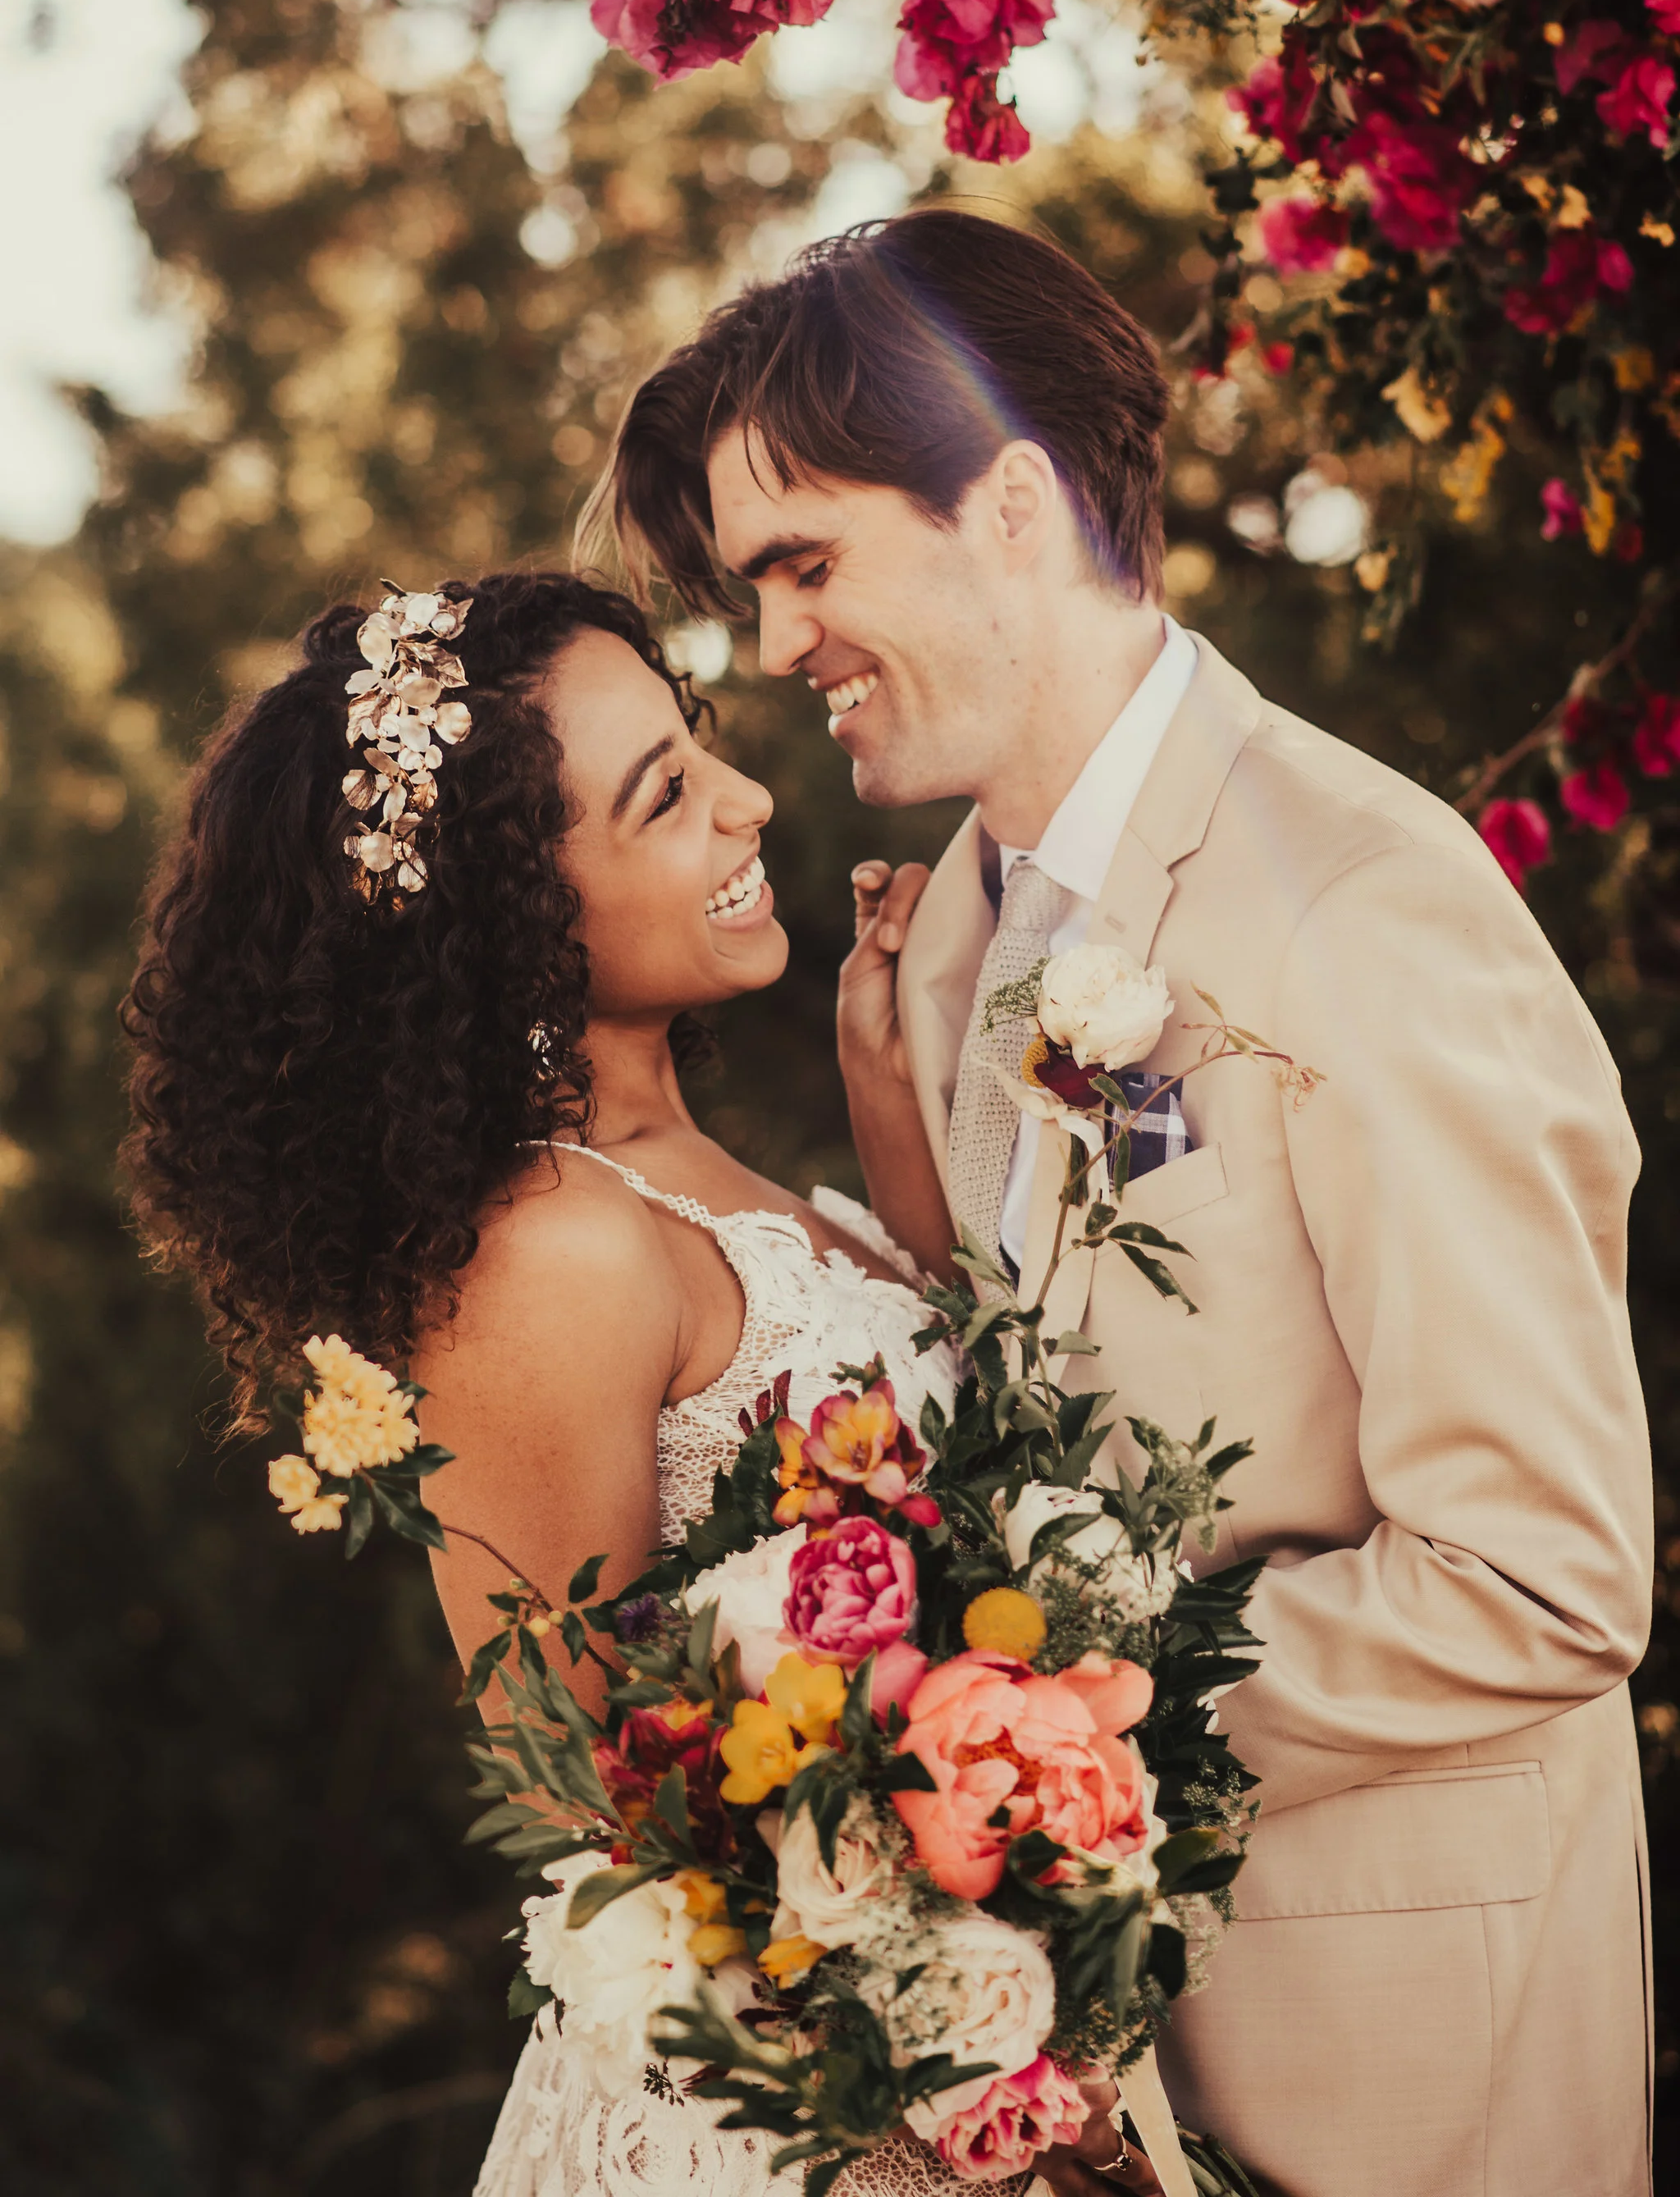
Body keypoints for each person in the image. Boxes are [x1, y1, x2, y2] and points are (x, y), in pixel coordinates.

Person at [596, 205, 1656, 2197]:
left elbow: (1545, 1575)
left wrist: (1045, 1745)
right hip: (1086, 2088)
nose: (770, 647)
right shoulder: (942, 946)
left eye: (803, 564)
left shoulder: (1363, 903)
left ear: (1007, 504)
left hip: (1396, 2070)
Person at [120, 568, 1136, 2197]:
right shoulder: (548, 1251)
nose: (745, 802)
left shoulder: (700, 1176)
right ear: (511, 915)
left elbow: (989, 1483)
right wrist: (954, 2081)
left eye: (699, 744)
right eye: (665, 796)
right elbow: (591, 1807)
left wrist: (896, 1130)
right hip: (787, 2124)